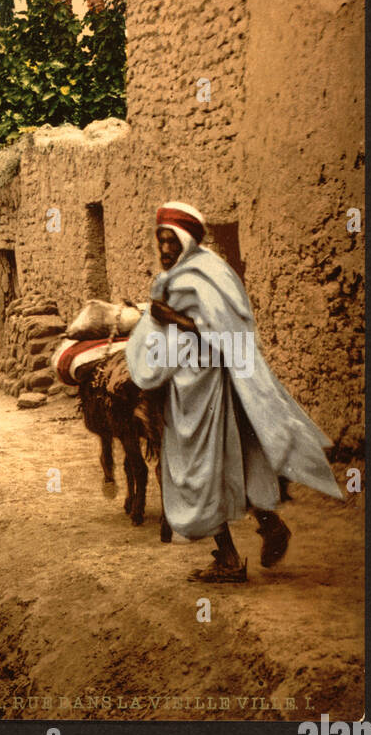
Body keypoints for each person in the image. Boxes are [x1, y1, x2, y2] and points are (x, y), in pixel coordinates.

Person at [126, 201, 342, 583]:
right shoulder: (185, 274)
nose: (164, 249)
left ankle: (229, 558)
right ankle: (267, 527)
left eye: (170, 241)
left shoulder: (205, 275)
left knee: (198, 472)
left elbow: (226, 335)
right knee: (228, 464)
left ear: (186, 240)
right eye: (159, 241)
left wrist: (167, 316)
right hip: (191, 388)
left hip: (208, 389)